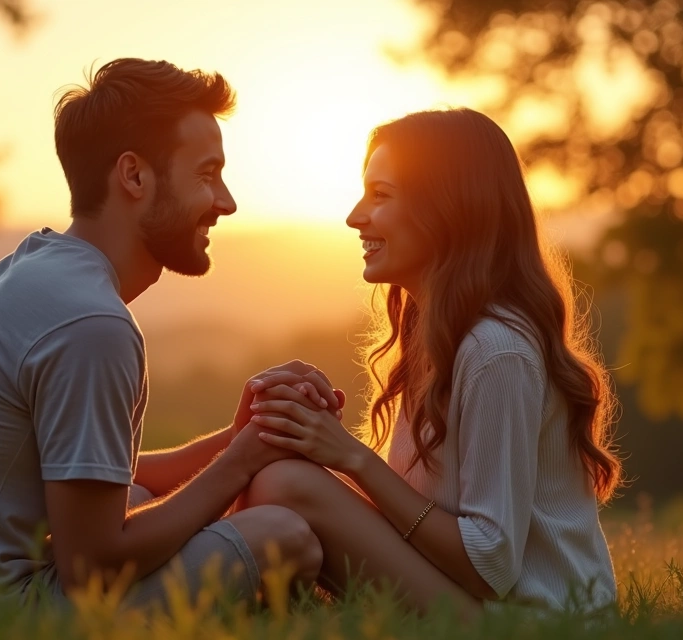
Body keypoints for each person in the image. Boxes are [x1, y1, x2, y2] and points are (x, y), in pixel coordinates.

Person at [0, 58, 337, 628]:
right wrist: (243, 462)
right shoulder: (91, 325)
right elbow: (94, 565)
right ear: (134, 176)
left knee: (134, 495)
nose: (226, 201)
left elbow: (99, 487)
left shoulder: (39, 275)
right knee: (283, 537)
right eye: (207, 174)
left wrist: (240, 438)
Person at [241, 108, 623, 614]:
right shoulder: (435, 335)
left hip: (533, 620)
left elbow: (490, 564)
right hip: (476, 603)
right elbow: (415, 517)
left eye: (381, 195)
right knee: (283, 473)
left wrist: (353, 459)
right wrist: (318, 441)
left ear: (447, 208)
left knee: (285, 483)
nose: (355, 216)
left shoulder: (496, 353)